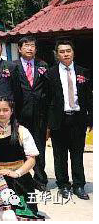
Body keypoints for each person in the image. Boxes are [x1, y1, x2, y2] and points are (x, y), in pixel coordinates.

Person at [0, 97, 44, 220]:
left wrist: (16, 173)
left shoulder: (22, 131)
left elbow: (32, 159)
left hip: (20, 179)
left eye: (5, 110)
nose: (1, 113)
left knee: (14, 214)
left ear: (11, 111)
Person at [46, 39, 92, 200]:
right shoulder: (50, 74)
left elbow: (89, 97)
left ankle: (79, 185)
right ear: (57, 54)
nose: (65, 54)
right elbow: (46, 100)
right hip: (59, 119)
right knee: (60, 156)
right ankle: (63, 185)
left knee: (77, 154)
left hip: (78, 119)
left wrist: (91, 119)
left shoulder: (83, 72)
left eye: (68, 51)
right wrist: (48, 123)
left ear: (73, 52)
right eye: (62, 52)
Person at [13, 36, 49, 191]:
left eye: (32, 45)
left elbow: (47, 90)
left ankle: (40, 179)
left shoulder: (43, 65)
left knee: (39, 147)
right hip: (20, 114)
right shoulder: (13, 66)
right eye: (26, 45)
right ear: (20, 49)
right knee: (19, 147)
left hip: (39, 114)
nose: (29, 48)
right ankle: (21, 178)